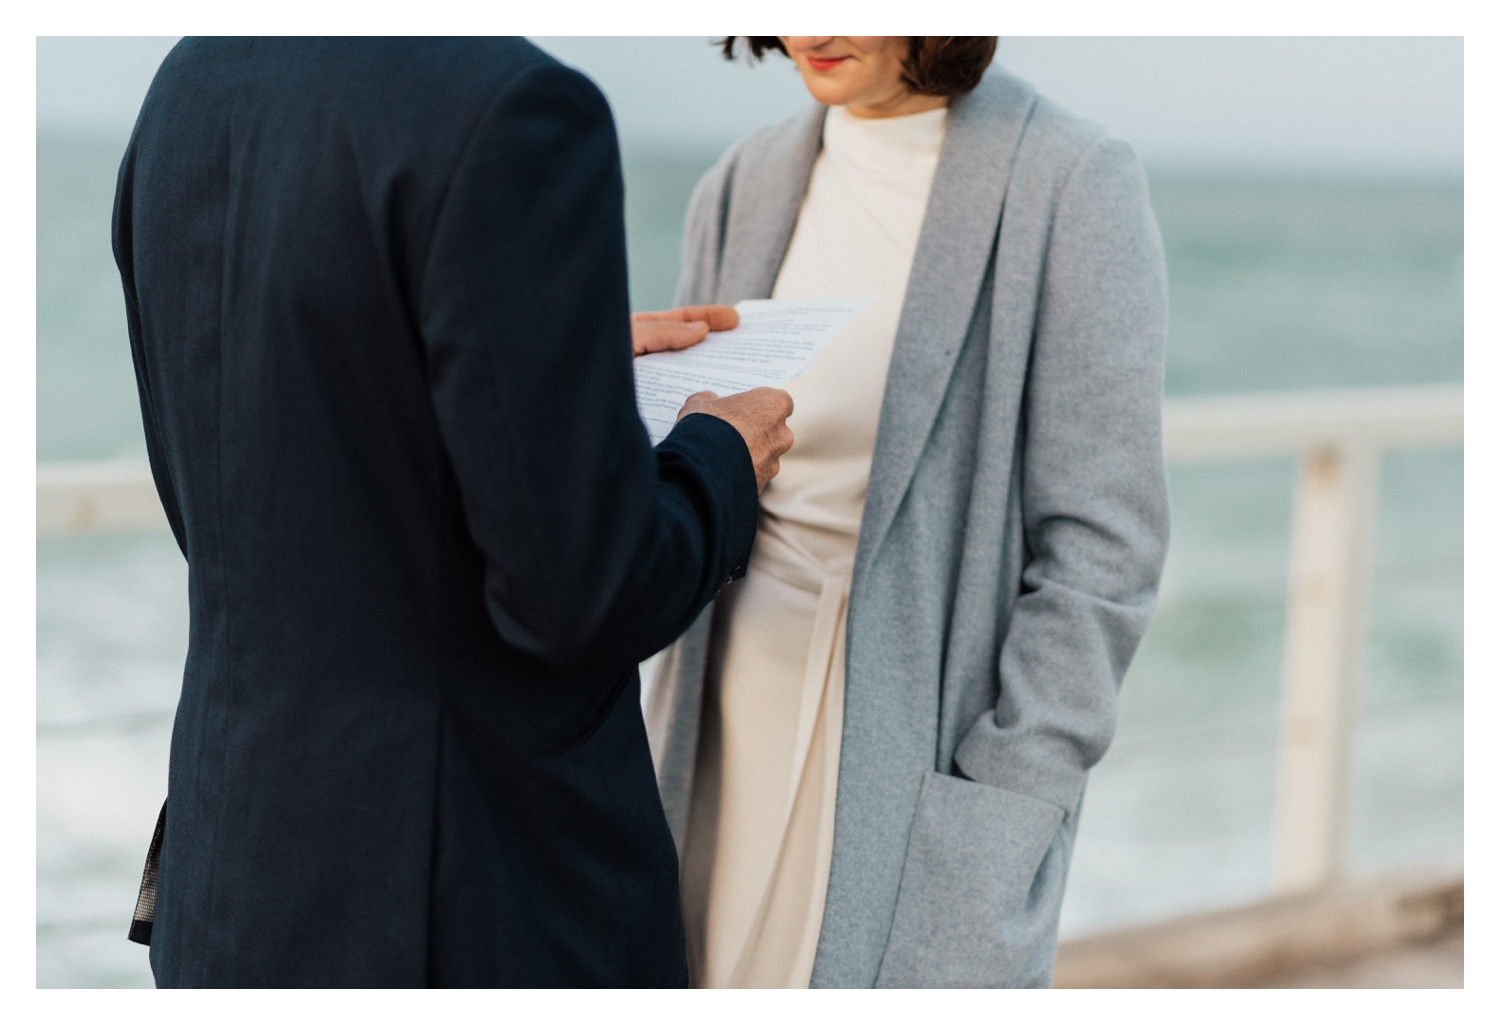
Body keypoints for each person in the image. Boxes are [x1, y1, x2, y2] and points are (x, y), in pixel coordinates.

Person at [113, 36, 793, 987]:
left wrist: (559, 372)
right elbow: (586, 595)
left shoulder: (190, 80)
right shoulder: (514, 107)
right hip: (462, 892)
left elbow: (263, 469)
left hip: (230, 866)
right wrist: (715, 455)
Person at [645, 36, 1171, 988]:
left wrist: (1015, 791)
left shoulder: (1068, 181)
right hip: (712, 733)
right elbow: (682, 465)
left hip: (907, 768)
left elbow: (1104, 547)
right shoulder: (742, 179)